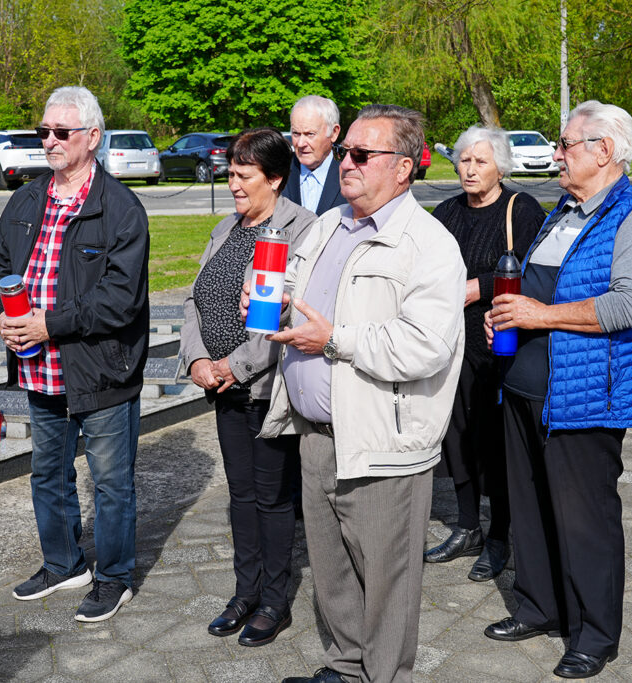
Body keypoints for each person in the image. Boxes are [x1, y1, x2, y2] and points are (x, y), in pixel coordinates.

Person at [256, 104, 466, 683]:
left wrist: (334, 340)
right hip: (316, 434)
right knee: (333, 571)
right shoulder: (328, 227)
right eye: (345, 150)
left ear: (403, 168)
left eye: (360, 154)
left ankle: (384, 675)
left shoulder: (427, 244)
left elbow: (424, 347)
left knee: (386, 580)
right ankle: (348, 666)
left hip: (382, 441)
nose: (345, 162)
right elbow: (296, 298)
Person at [484, 101, 632, 679]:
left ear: (605, 151)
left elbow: (630, 304)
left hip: (584, 392)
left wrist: (538, 316)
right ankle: (539, 606)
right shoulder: (564, 210)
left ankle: (595, 633)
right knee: (529, 504)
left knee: (584, 515)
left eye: (567, 145)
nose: (557, 154)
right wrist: (507, 316)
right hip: (524, 385)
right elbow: (533, 285)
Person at [0, 86, 150, 623]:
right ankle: (63, 564)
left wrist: (47, 325)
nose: (49, 141)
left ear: (93, 138)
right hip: (39, 371)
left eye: (62, 132)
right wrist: (2, 316)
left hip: (101, 369)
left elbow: (119, 301)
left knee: (110, 482)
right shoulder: (27, 199)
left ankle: (115, 577)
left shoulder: (121, 208)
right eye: (43, 132)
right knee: (48, 474)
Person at [179, 128, 317, 647]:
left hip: (266, 387)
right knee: (240, 496)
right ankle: (245, 592)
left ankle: (275, 602)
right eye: (231, 173)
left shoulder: (301, 230)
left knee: (272, 497)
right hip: (221, 385)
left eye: (244, 175)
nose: (232, 182)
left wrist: (233, 366)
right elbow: (195, 300)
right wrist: (197, 359)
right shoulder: (225, 227)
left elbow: (282, 317)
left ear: (275, 179)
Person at [423, 126, 544, 580]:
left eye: (481, 161)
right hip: (450, 341)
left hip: (499, 342)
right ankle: (468, 525)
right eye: (464, 160)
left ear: (500, 167)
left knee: (496, 442)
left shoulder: (521, 208)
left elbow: (535, 269)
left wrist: (481, 287)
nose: (470, 169)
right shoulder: (446, 211)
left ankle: (499, 537)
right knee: (455, 436)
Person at [282, 95, 346, 215]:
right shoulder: (276, 173)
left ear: (334, 133)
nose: (300, 143)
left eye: (310, 134)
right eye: (296, 133)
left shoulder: (349, 178)